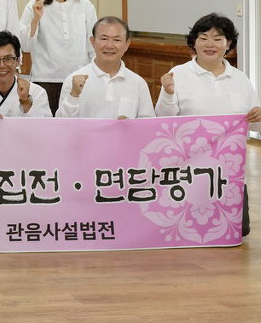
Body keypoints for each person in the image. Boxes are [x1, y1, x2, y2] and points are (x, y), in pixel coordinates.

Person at [156, 13, 261, 236]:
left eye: (217, 38)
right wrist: (168, 93)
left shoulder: (240, 79)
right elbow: (163, 120)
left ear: (228, 44)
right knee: (185, 229)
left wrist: (259, 117)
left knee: (239, 230)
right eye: (203, 38)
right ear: (194, 42)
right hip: (186, 167)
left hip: (230, 170)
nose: (210, 44)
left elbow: (253, 126)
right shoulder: (178, 74)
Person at [18, 0, 96, 115]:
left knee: (77, 125)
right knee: (47, 127)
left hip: (79, 79)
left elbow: (93, 46)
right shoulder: (34, 6)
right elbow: (25, 46)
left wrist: (93, 75)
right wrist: (35, 20)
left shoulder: (84, 5)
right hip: (44, 80)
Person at [57, 16, 154, 119]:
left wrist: (130, 125)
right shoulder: (73, 81)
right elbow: (61, 124)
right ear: (92, 42)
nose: (109, 46)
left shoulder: (138, 83)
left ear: (127, 44)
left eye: (117, 40)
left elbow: (148, 124)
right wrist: (74, 95)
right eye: (104, 39)